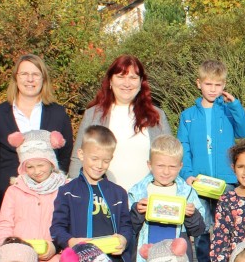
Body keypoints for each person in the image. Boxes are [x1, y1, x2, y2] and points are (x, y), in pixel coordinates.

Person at [177, 59, 245, 262]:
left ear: (224, 86)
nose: (213, 89)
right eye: (209, 84)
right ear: (199, 83)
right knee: (201, 227)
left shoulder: (228, 111)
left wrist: (235, 105)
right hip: (198, 182)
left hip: (225, 181)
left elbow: (244, 132)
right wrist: (187, 174)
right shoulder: (188, 116)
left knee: (226, 226)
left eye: (218, 85)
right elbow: (184, 147)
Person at [126, 135, 208, 262]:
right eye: (160, 166)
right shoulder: (138, 191)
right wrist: (137, 212)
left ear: (180, 166)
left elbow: (199, 230)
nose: (166, 171)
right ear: (149, 165)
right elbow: (129, 228)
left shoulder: (187, 193)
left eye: (172, 166)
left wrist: (192, 215)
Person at [50, 126, 135, 262]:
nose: (99, 165)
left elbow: (127, 226)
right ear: (81, 155)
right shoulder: (67, 191)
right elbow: (57, 229)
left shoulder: (119, 192)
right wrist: (71, 242)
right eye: (94, 158)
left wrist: (124, 239)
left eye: (106, 160)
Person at [67, 54, 171, 191]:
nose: (127, 84)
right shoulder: (93, 115)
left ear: (141, 82)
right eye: (120, 77)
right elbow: (77, 158)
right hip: (104, 200)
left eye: (133, 78)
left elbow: (170, 158)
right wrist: (74, 192)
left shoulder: (156, 116)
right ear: (110, 81)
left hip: (146, 201)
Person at [0, 54, 75, 204]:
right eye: (24, 74)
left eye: (35, 74)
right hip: (8, 196)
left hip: (49, 197)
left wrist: (50, 182)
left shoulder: (59, 113)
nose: (30, 79)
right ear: (16, 78)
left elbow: (65, 155)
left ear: (43, 79)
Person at [0, 130, 68, 262]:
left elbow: (71, 224)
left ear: (51, 163)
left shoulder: (65, 190)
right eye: (30, 167)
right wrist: (8, 250)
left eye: (41, 165)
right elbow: (5, 224)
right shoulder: (15, 190)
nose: (36, 171)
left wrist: (56, 247)